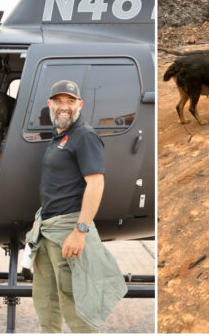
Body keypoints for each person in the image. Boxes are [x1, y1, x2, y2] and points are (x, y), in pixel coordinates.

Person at [25, 80, 127, 333]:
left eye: (70, 101)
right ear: (50, 104)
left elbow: (95, 184)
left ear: (79, 105)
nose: (64, 107)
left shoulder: (85, 136)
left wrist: (80, 231)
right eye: (59, 101)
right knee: (46, 301)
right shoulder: (62, 135)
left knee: (76, 305)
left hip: (68, 231)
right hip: (48, 231)